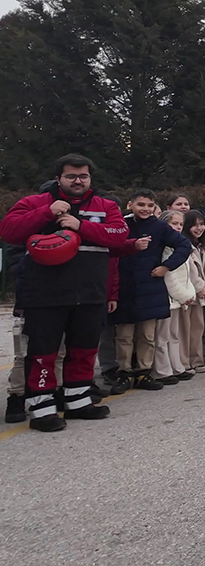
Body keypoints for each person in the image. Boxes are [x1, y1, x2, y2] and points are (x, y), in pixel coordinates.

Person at [0, 154, 128, 430]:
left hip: (90, 293)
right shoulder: (36, 203)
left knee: (84, 350)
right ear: (59, 178)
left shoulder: (106, 206)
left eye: (83, 176)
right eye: (71, 176)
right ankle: (42, 407)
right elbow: (8, 231)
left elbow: (119, 234)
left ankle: (79, 402)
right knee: (43, 352)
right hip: (46, 295)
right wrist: (47, 213)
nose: (78, 181)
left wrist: (82, 226)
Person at [113, 189, 193, 390]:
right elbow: (110, 247)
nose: (145, 209)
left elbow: (184, 245)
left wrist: (167, 266)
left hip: (150, 287)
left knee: (147, 335)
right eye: (141, 205)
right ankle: (124, 372)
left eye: (150, 205)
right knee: (124, 335)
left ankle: (144, 372)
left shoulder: (159, 227)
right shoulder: (121, 224)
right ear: (130, 204)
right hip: (126, 286)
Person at [154, 211, 197, 383]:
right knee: (162, 337)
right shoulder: (164, 249)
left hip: (179, 300)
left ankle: (177, 367)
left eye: (180, 224)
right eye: (174, 224)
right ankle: (162, 370)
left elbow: (185, 275)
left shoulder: (179, 246)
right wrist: (184, 296)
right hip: (168, 299)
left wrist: (189, 293)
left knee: (175, 335)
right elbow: (169, 277)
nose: (178, 227)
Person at [179, 211, 205, 373]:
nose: (199, 228)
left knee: (198, 328)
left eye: (201, 224)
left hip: (201, 292)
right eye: (194, 225)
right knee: (186, 330)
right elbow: (191, 270)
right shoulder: (185, 245)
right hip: (189, 292)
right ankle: (186, 362)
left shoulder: (203, 245)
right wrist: (200, 287)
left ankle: (196, 360)